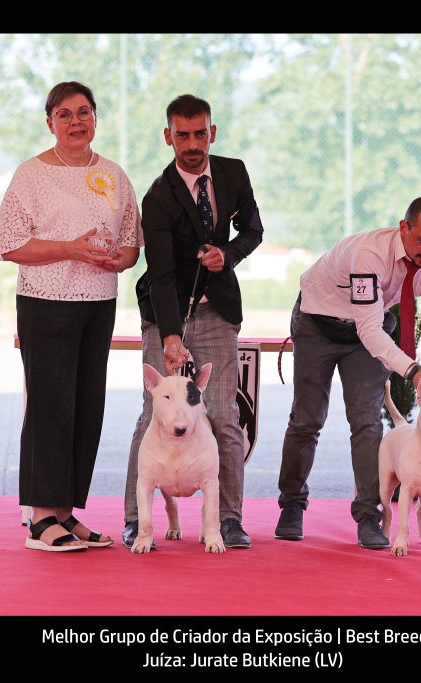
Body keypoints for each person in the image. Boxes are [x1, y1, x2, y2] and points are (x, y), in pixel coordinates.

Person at [0, 81, 143, 552]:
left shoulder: (114, 175)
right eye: (65, 114)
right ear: (50, 122)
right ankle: (39, 518)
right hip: (46, 301)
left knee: (85, 406)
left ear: (96, 117)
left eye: (84, 112)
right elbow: (8, 244)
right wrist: (71, 248)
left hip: (98, 302)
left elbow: (132, 237)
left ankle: (66, 512)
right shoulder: (32, 175)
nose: (76, 122)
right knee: (51, 405)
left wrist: (123, 258)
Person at [121, 94, 264, 550]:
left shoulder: (233, 173)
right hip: (167, 312)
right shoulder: (158, 196)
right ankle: (132, 519)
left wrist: (230, 254)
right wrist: (168, 335)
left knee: (224, 416)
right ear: (169, 137)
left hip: (219, 309)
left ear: (212, 133)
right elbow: (160, 274)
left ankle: (229, 519)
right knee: (153, 414)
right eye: (181, 135)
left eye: (199, 133)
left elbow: (254, 230)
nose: (191, 144)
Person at [276, 196, 421, 549]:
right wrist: (413, 371)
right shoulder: (370, 255)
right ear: (404, 227)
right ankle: (292, 506)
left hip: (366, 329)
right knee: (307, 418)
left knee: (366, 419)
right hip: (318, 322)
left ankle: (369, 515)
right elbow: (370, 330)